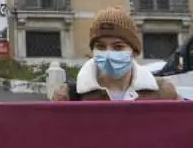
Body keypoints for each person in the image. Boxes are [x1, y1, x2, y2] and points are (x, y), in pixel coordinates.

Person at [50, 7, 180, 102]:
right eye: (100, 46)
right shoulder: (68, 96)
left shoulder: (162, 92)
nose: (108, 53)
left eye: (118, 47)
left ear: (133, 51)